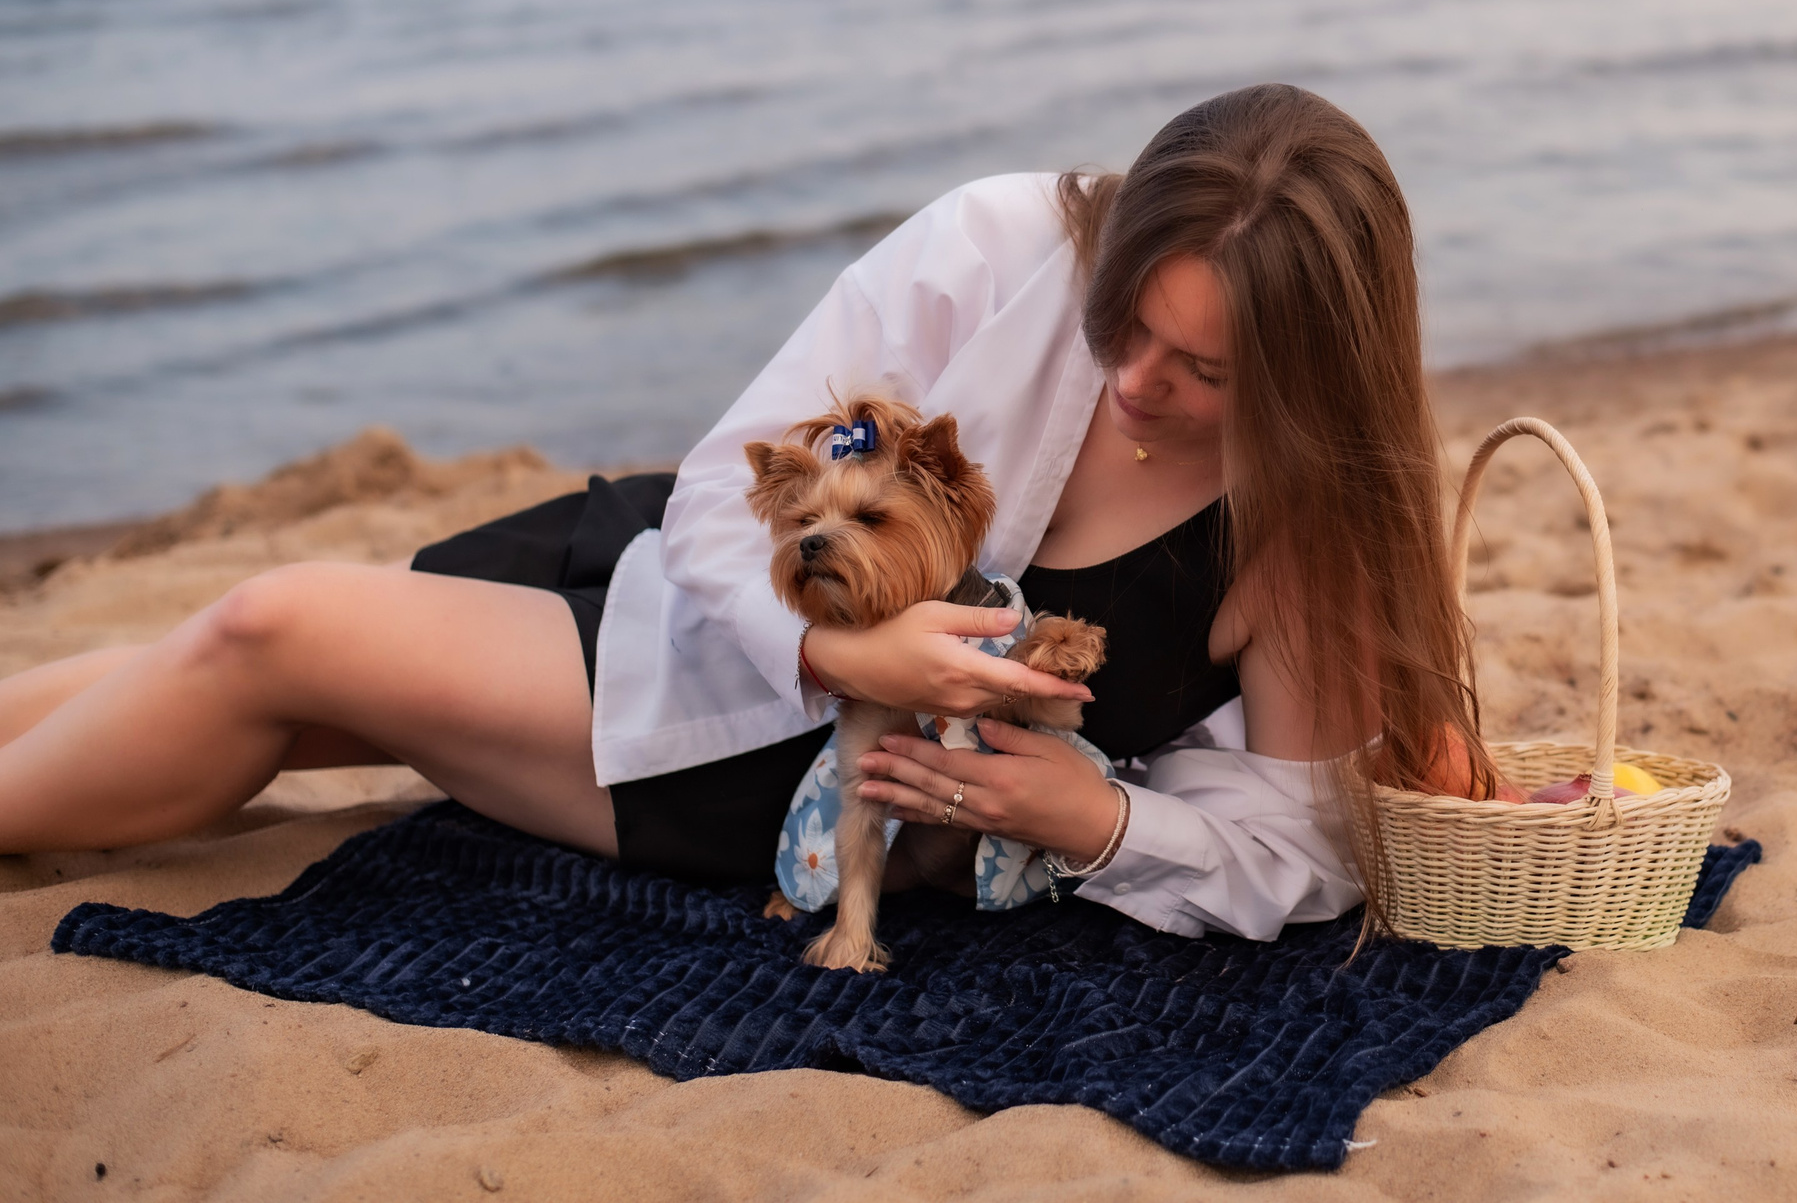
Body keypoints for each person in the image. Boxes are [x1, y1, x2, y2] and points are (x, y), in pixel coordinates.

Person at [0, 84, 1492, 939]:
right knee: (264, 678)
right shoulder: (1000, 242)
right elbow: (734, 482)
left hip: (757, 766)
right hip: (706, 580)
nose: (1137, 384)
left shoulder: (1311, 526)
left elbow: (1303, 841)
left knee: (278, 631)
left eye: (1207, 372)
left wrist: (1104, 821)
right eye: (1124, 330)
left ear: (1307, 371)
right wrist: (850, 655)